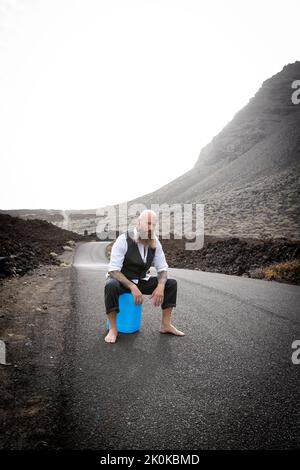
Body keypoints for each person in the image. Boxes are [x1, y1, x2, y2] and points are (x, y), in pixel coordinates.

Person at [104, 209, 185, 343]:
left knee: (171, 284)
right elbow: (113, 270)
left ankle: (166, 325)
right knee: (111, 285)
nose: (150, 228)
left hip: (140, 280)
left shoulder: (155, 242)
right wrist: (132, 287)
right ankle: (113, 328)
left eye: (153, 225)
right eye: (148, 223)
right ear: (138, 223)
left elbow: (162, 269)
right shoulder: (123, 239)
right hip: (121, 280)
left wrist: (160, 285)